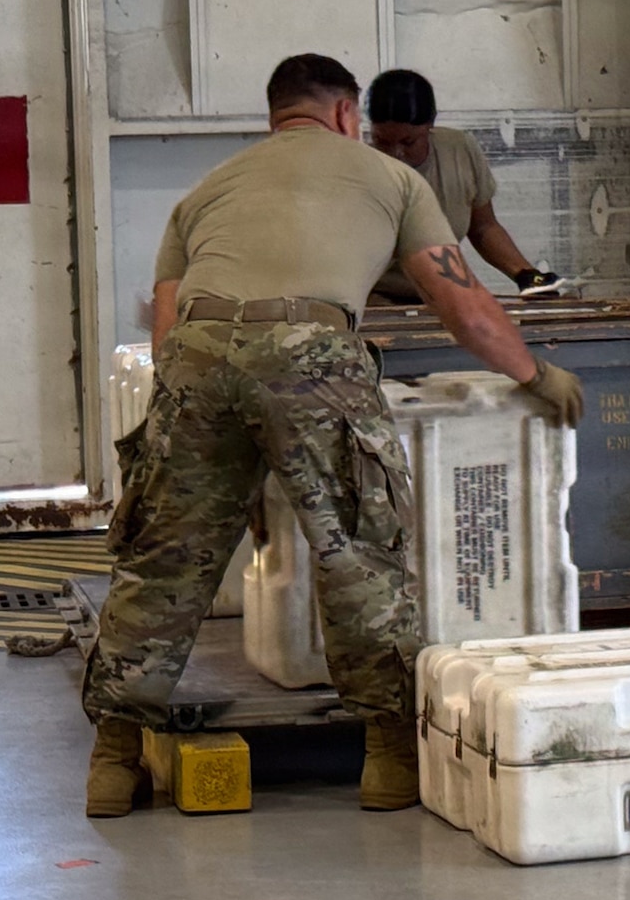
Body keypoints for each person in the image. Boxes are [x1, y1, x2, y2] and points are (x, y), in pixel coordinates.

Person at [82, 53, 585, 819]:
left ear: (275, 114)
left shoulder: (207, 190)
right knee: (359, 553)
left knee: (162, 561)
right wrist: (533, 374)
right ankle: (386, 759)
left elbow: (166, 322)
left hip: (196, 360)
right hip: (310, 355)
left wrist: (222, 448)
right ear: (350, 114)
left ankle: (114, 765)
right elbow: (462, 303)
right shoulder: (392, 180)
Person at [365, 68, 563, 302]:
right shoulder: (359, 168)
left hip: (441, 290)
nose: (397, 153)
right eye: (382, 141)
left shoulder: (459, 150)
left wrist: (525, 274)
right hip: (372, 296)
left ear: (430, 124)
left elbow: (483, 228)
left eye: (409, 142)